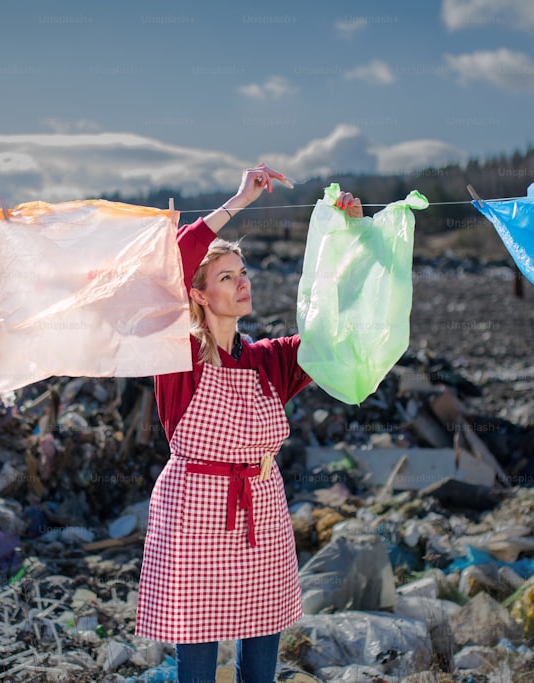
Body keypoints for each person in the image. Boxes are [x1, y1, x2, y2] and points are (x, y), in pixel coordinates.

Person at [135, 164, 363, 683]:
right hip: (194, 507)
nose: (242, 283)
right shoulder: (178, 354)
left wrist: (348, 234)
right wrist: (240, 200)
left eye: (244, 274)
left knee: (262, 647)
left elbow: (333, 325)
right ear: (196, 293)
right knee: (197, 652)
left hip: (261, 502)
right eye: (226, 277)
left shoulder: (270, 359)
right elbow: (170, 263)